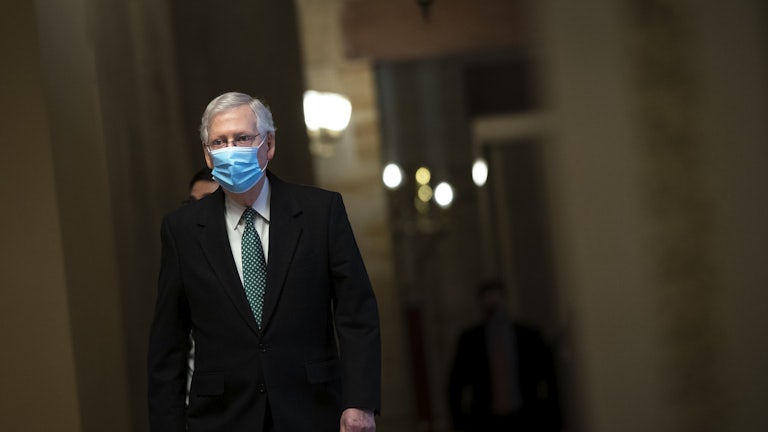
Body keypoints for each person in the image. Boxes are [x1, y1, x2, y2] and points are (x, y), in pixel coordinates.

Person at [148, 92, 381, 432]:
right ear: (208, 155)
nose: (231, 150)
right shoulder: (181, 230)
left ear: (268, 145)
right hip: (222, 416)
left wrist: (360, 403)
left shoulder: (320, 212)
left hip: (312, 410)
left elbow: (356, 312)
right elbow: (168, 343)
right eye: (220, 142)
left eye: (242, 138)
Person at [448, 281, 561, 432]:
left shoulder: (529, 335)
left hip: (526, 416)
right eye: (487, 300)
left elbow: (550, 378)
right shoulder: (470, 340)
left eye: (496, 299)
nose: (492, 305)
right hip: (485, 419)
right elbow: (456, 383)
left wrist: (555, 419)